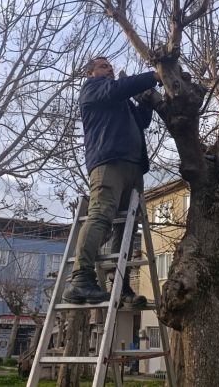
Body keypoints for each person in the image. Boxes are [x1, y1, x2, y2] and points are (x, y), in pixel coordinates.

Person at [63, 57, 160, 305]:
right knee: (100, 215)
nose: (110, 70)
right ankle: (81, 279)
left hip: (134, 167)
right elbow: (119, 88)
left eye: (111, 67)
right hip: (109, 163)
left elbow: (143, 121)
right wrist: (154, 76)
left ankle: (121, 286)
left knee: (126, 227)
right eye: (104, 67)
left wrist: (146, 101)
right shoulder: (93, 89)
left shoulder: (121, 101)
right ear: (90, 73)